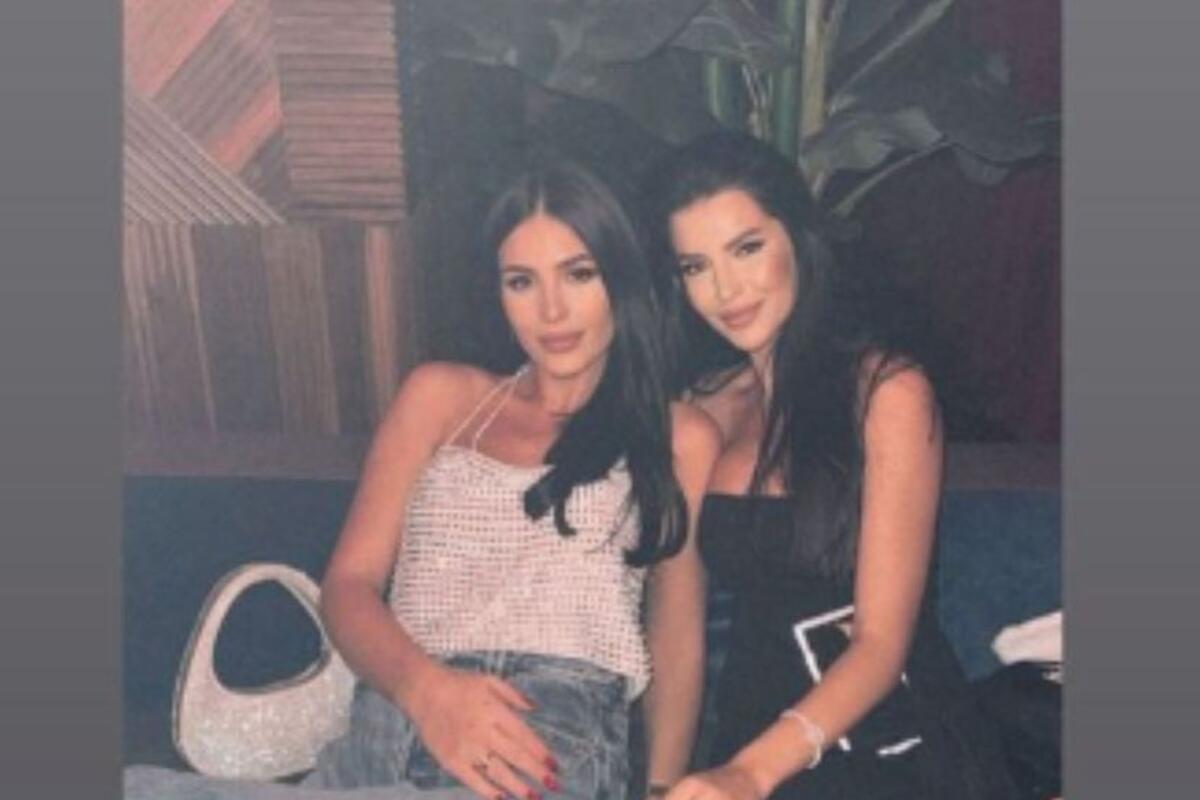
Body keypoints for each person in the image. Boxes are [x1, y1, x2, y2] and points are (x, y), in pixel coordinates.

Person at [125, 156, 718, 800]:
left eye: (579, 274)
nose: (552, 310)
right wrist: (429, 692)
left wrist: (663, 791)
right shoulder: (440, 397)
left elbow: (676, 636)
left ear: (622, 278)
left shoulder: (675, 434)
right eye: (521, 282)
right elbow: (348, 587)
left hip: (537, 747)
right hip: (386, 726)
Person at [640, 132, 1019, 800]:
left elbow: (880, 643)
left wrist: (752, 772)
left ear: (797, 238)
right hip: (749, 734)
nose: (725, 289)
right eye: (696, 266)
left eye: (746, 248)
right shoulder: (701, 414)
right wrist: (660, 785)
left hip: (886, 740)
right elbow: (676, 635)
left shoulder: (886, 392)